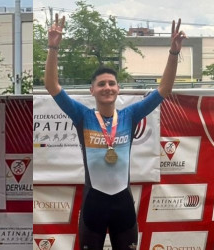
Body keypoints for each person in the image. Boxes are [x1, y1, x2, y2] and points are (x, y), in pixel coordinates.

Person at [44, 14, 186, 249]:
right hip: (93, 205)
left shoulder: (130, 115)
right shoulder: (82, 116)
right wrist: (53, 47)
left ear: (118, 88)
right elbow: (52, 86)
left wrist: (173, 53)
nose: (107, 87)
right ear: (92, 90)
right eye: (101, 84)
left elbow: (164, 89)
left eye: (111, 83)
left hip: (123, 204)